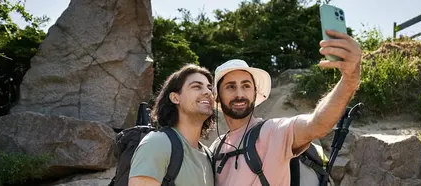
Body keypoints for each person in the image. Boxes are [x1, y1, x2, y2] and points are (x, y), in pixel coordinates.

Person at [210, 29, 362, 186]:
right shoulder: (216, 147)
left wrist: (349, 80)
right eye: (230, 87)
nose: (239, 94)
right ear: (217, 96)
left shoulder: (273, 131)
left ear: (255, 93)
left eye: (246, 86)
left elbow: (317, 124)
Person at [128, 64, 216, 186]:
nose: (207, 92)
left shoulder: (208, 156)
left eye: (209, 88)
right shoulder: (157, 144)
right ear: (175, 98)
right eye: (196, 86)